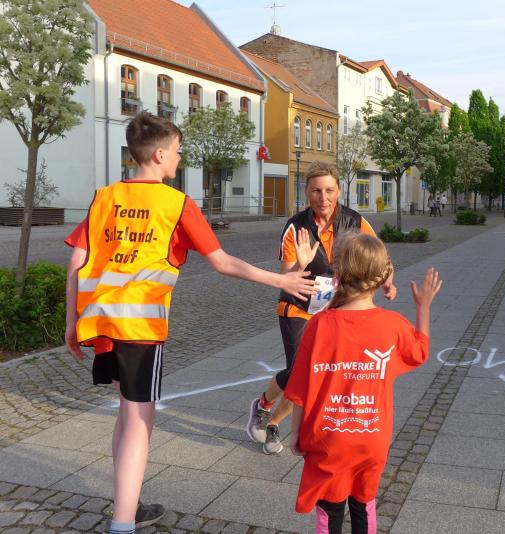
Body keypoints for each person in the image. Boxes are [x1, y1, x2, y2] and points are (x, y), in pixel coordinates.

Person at [64, 112, 316, 534]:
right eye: (178, 151)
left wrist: (71, 321)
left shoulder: (104, 197)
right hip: (140, 325)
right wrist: (282, 280)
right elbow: (222, 262)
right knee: (140, 419)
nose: (180, 158)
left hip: (102, 321)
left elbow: (77, 259)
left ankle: (128, 504)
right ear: (160, 155)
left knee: (126, 413)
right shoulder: (176, 204)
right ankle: (123, 523)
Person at [285, 233, 442, 534]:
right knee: (364, 503)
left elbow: (300, 389)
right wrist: (423, 307)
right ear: (383, 277)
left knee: (329, 511)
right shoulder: (392, 325)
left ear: (337, 272)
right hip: (372, 438)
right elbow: (420, 351)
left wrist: (295, 433)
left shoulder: (319, 325)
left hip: (328, 439)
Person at [246, 162, 397, 455]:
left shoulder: (355, 221)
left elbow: (381, 257)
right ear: (306, 192)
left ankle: (274, 422)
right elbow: (285, 276)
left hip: (335, 310)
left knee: (315, 372)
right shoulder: (296, 226)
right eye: (316, 191)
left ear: (338, 190)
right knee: (298, 371)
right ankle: (263, 405)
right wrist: (301, 265)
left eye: (329, 190)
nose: (323, 197)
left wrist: (388, 280)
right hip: (298, 307)